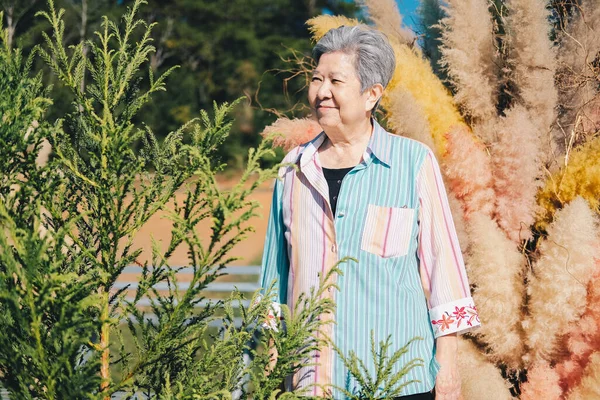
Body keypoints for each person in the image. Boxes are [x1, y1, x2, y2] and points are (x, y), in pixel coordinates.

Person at [260, 25, 480, 400]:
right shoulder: (292, 169)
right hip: (312, 383)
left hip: (399, 381)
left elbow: (443, 272)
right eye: (316, 79)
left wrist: (447, 372)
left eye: (335, 80)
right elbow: (273, 280)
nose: (321, 91)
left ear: (371, 95)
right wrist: (269, 368)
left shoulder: (412, 163)